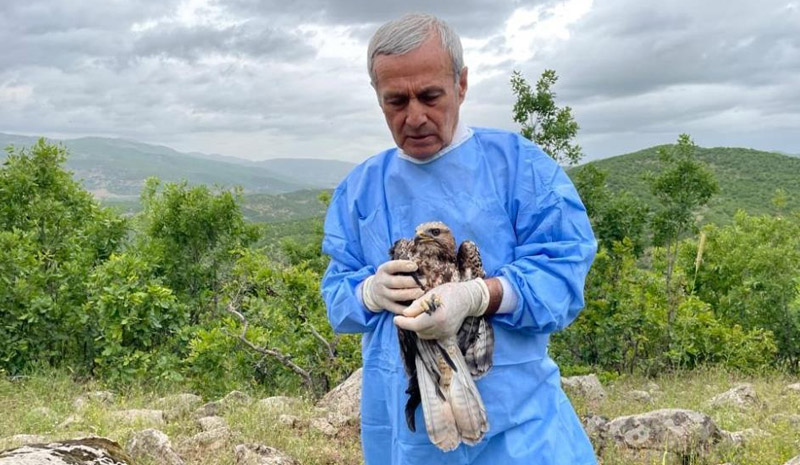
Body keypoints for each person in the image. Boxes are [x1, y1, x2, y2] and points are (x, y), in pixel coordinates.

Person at [321, 13, 598, 465]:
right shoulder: (361, 191)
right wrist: (369, 292)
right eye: (395, 101)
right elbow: (338, 295)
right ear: (378, 99)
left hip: (521, 430)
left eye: (431, 95)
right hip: (410, 428)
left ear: (462, 84)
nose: (414, 116)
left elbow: (562, 278)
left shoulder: (521, 169)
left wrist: (477, 295)